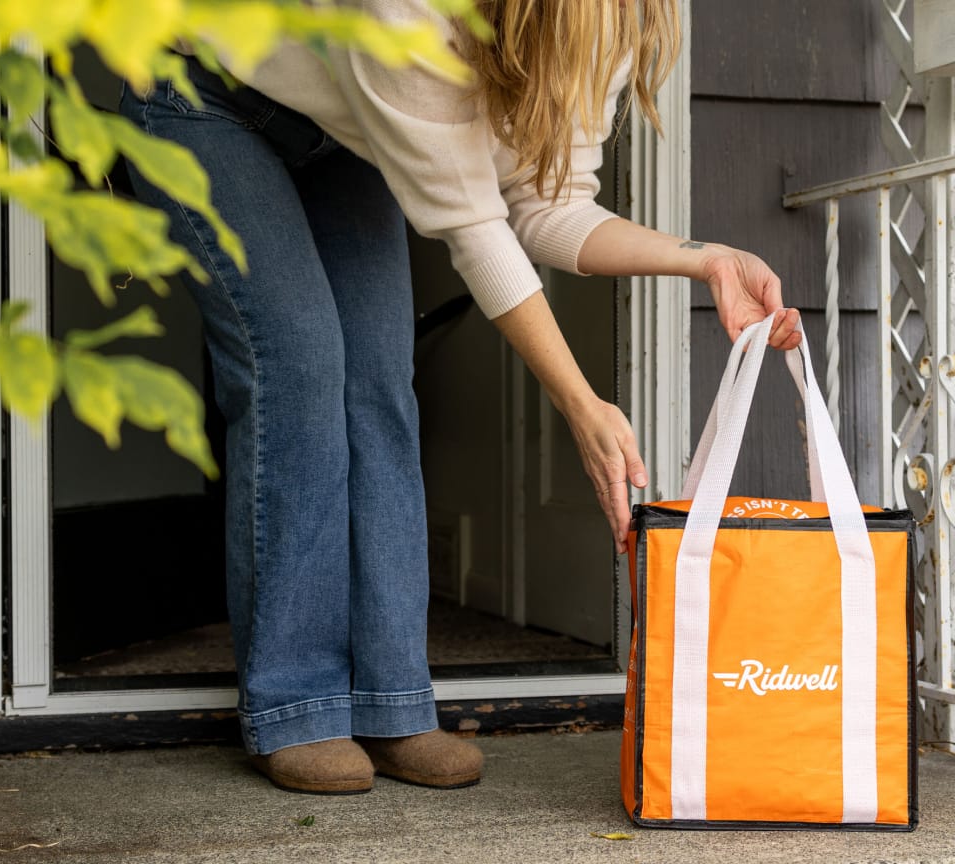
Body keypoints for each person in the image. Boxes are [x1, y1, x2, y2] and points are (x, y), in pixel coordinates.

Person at [119, 0, 801, 796]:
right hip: (207, 94)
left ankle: (391, 702)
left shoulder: (612, 18)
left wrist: (705, 259)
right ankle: (297, 705)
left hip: (345, 136)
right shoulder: (409, 12)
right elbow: (476, 230)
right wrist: (582, 403)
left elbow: (551, 209)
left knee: (377, 386)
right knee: (298, 365)